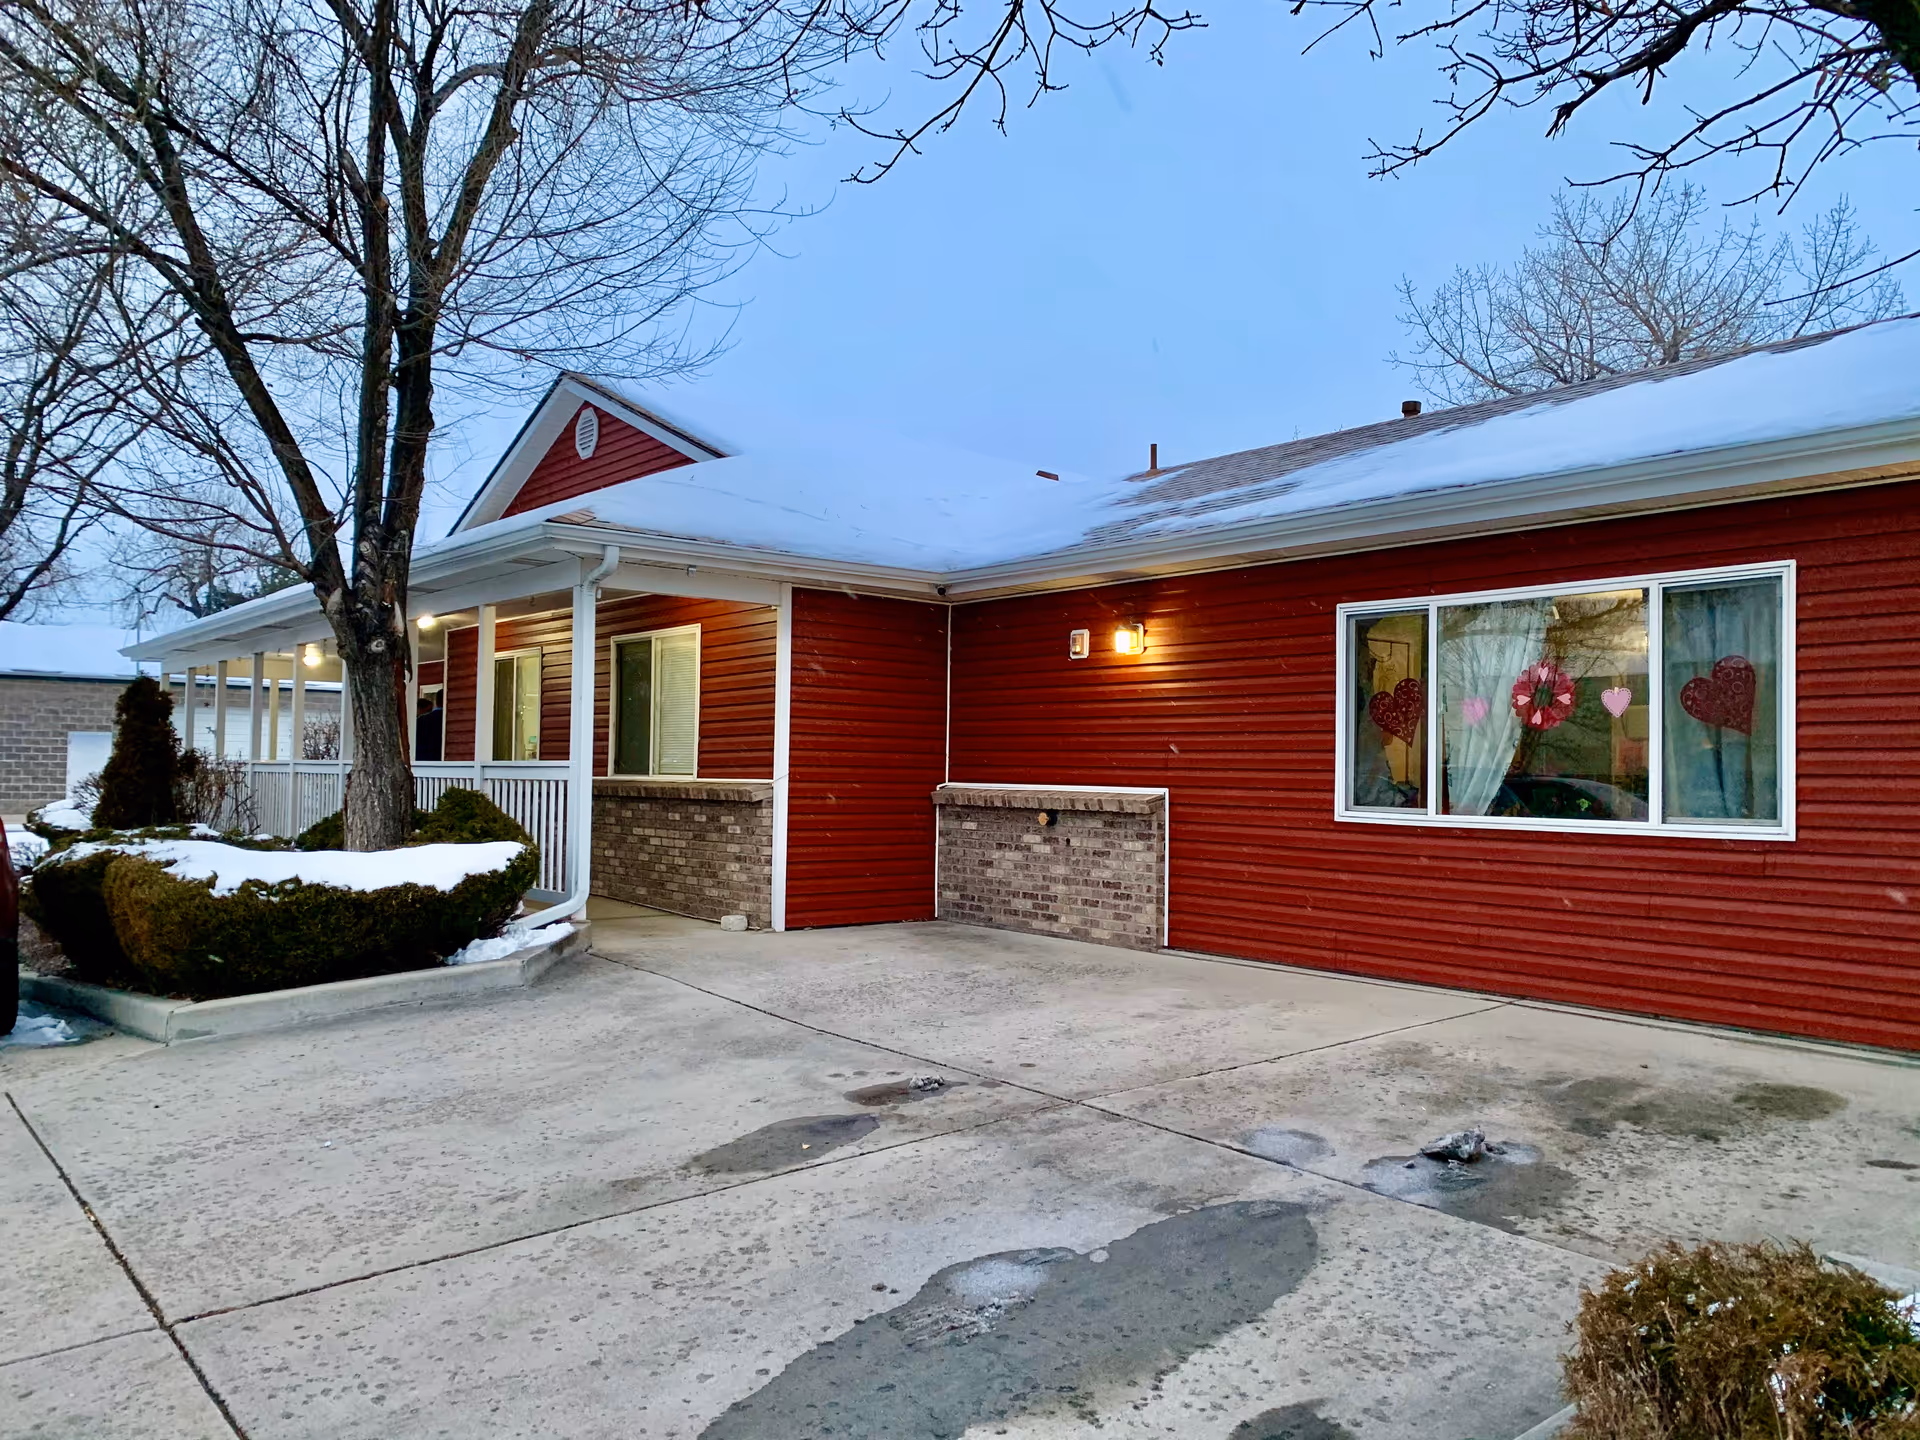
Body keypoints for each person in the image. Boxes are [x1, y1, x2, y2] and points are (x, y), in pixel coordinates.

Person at [415, 692, 444, 762]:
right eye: (428, 710)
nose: (428, 713)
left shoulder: (419, 721)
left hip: (419, 758)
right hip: (435, 759)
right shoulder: (442, 718)